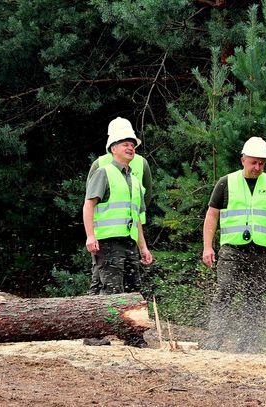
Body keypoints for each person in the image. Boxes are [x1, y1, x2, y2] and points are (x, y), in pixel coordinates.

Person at [201, 136, 266, 352]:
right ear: (243, 160)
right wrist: (207, 246)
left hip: (262, 251)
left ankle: (247, 344)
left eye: (262, 163)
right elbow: (212, 216)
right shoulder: (226, 182)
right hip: (232, 249)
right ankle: (215, 340)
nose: (258, 167)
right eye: (253, 162)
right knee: (225, 292)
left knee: (255, 297)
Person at [83, 118, 154, 348]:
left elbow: (137, 217)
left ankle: (125, 335)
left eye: (132, 143)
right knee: (113, 290)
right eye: (125, 143)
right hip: (108, 241)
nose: (130, 147)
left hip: (129, 241)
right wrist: (90, 236)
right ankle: (115, 334)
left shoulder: (134, 178)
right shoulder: (103, 172)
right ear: (113, 148)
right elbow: (88, 205)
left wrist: (143, 246)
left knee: (133, 290)